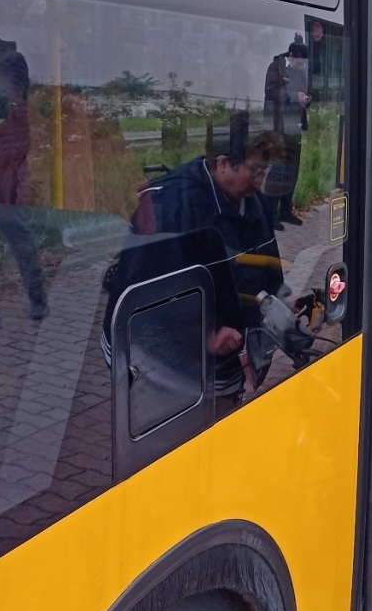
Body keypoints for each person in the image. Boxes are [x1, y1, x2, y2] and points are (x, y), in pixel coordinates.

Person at [102, 112, 287, 408]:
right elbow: (143, 302)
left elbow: (266, 268)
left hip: (224, 361)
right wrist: (206, 336)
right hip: (160, 365)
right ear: (224, 163)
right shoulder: (168, 209)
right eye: (255, 170)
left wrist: (280, 304)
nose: (260, 180)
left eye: (265, 171)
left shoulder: (256, 204)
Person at [0, 37, 46, 319]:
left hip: (8, 163)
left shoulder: (12, 61)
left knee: (19, 235)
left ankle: (38, 298)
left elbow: (12, 105)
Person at [263, 34, 311, 230]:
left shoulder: (300, 73)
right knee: (278, 170)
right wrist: (293, 96)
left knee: (292, 170)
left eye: (304, 62)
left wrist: (308, 98)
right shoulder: (276, 68)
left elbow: (308, 91)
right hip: (278, 126)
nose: (301, 65)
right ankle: (270, 213)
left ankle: (285, 210)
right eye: (299, 61)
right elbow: (270, 91)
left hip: (295, 128)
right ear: (291, 57)